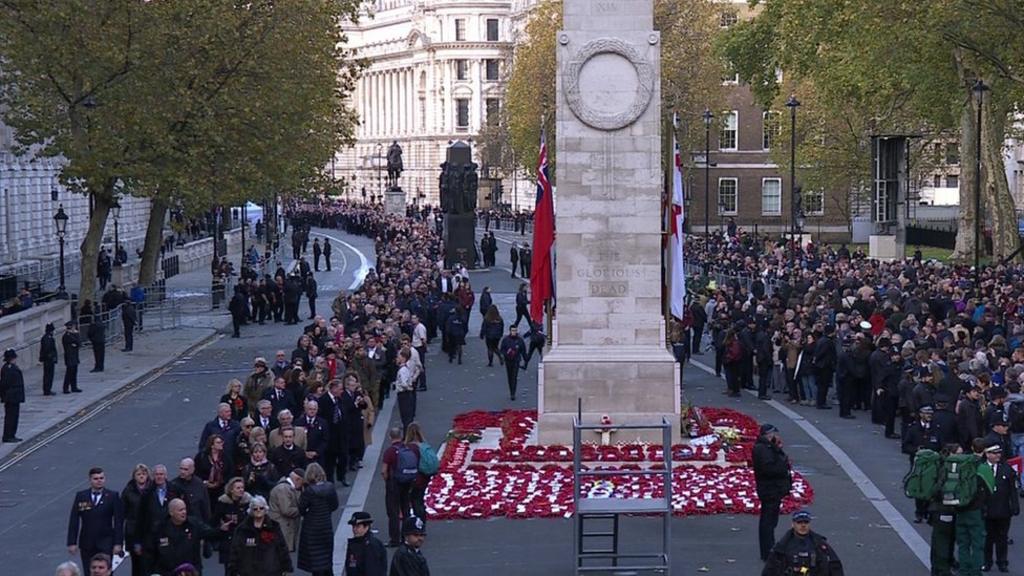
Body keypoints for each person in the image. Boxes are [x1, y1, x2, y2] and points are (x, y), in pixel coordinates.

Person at [148, 498, 229, 576]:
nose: (184, 512)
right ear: (171, 512)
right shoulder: (161, 528)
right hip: (168, 572)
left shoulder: (193, 524)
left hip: (191, 571)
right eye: (180, 510)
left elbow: (210, 533)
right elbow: (152, 552)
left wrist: (221, 530)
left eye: (185, 509)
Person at [66, 467, 125, 569]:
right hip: (87, 543)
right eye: (96, 478)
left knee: (105, 571)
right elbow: (74, 520)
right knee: (89, 571)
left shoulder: (112, 496)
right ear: (90, 480)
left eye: (101, 478)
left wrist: (118, 543)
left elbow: (118, 521)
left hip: (106, 542)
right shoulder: (81, 496)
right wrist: (72, 542)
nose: (99, 481)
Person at [752, 424, 792, 562]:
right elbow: (770, 469)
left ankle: (769, 548)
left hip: (772, 489)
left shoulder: (767, 448)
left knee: (770, 521)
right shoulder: (762, 449)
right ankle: (767, 551)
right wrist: (782, 462)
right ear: (770, 435)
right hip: (770, 490)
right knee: (768, 522)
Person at [761, 510, 844, 576]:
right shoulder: (781, 547)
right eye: (799, 522)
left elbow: (835, 565)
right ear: (793, 524)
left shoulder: (820, 544)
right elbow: (770, 569)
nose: (803, 526)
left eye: (806, 522)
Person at [228, 495, 293, 576]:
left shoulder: (274, 527)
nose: (258, 510)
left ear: (265, 509)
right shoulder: (242, 529)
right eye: (255, 508)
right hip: (248, 572)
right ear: (251, 510)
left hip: (271, 571)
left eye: (261, 508)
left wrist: (287, 568)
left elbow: (282, 548)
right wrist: (233, 570)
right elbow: (235, 550)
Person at [982, 444, 1019, 572]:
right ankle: (987, 562)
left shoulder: (1006, 469)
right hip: (987, 509)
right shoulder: (982, 469)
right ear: (987, 454)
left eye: (999, 453)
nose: (997, 455)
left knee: (1002, 538)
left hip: (1003, 510)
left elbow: (1012, 490)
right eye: (994, 453)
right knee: (988, 538)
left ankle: (1002, 562)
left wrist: (1015, 506)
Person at [297, 463, 339, 576]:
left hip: (311, 529)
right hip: (326, 527)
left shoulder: (309, 491)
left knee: (316, 563)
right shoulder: (330, 487)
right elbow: (335, 505)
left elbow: (301, 509)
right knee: (327, 561)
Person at [902, 405, 939, 523]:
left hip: (932, 463)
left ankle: (928, 511)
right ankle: (919, 512)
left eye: (931, 414)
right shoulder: (913, 429)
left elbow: (941, 443)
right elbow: (905, 446)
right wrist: (915, 450)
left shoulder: (936, 428)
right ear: (921, 415)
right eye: (926, 414)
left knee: (930, 486)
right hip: (918, 463)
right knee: (919, 486)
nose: (929, 416)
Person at [382, 426, 417, 547]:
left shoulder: (390, 451)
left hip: (394, 484)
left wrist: (387, 479)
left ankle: (395, 539)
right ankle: (406, 535)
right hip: (407, 482)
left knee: (393, 512)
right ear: (401, 436)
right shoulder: (407, 449)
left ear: (390, 437)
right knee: (406, 509)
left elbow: (384, 470)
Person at [211, 477, 250, 573]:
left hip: (244, 541)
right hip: (228, 542)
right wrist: (221, 528)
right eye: (238, 488)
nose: (241, 490)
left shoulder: (248, 502)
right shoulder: (223, 503)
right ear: (231, 490)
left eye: (242, 488)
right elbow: (214, 521)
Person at [121, 464, 152, 576]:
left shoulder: (153, 489)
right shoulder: (128, 491)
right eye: (138, 474)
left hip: (150, 532)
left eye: (144, 474)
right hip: (133, 532)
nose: (141, 476)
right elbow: (122, 513)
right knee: (137, 565)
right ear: (134, 476)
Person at [268, 467, 304, 552]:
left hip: (285, 527)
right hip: (283, 528)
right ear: (298, 479)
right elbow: (287, 510)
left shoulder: (286, 488)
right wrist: (302, 510)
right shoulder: (283, 489)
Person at [345, 511, 388, 576]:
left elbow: (372, 571)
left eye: (358, 526)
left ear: (366, 527)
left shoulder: (371, 547)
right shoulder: (356, 543)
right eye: (353, 526)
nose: (354, 529)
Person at [0, 348, 25, 442]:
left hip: (14, 396)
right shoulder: (8, 368)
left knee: (14, 417)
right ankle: (8, 436)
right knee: (11, 417)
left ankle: (12, 435)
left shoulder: (10, 367)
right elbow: (5, 383)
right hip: (11, 396)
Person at [499, 326, 527, 400]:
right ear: (510, 331)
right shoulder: (505, 340)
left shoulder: (520, 340)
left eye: (515, 330)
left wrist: (525, 360)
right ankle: (511, 389)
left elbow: (523, 351)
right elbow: (502, 350)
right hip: (508, 360)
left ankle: (513, 393)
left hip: (516, 360)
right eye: (512, 330)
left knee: (514, 376)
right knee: (510, 376)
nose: (514, 332)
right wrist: (506, 353)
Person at [394, 349, 417, 433]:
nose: (397, 358)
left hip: (403, 394)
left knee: (405, 416)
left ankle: (406, 435)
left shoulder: (402, 370)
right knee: (407, 416)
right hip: (407, 394)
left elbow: (404, 383)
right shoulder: (406, 368)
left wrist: (406, 387)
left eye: (398, 357)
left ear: (403, 358)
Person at [62, 321, 82, 393]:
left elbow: (79, 343)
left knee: (74, 372)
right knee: (69, 372)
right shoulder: (67, 335)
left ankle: (74, 387)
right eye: (73, 326)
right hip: (69, 356)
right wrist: (75, 343)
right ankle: (65, 388)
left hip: (75, 355)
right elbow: (73, 342)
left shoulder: (75, 334)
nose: (74, 327)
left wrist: (76, 335)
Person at [40, 322, 58, 396]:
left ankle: (47, 389)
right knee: (48, 375)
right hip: (48, 360)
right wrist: (51, 356)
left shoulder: (47, 337)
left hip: (48, 359)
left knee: (49, 375)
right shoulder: (47, 338)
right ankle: (47, 390)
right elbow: (47, 349)